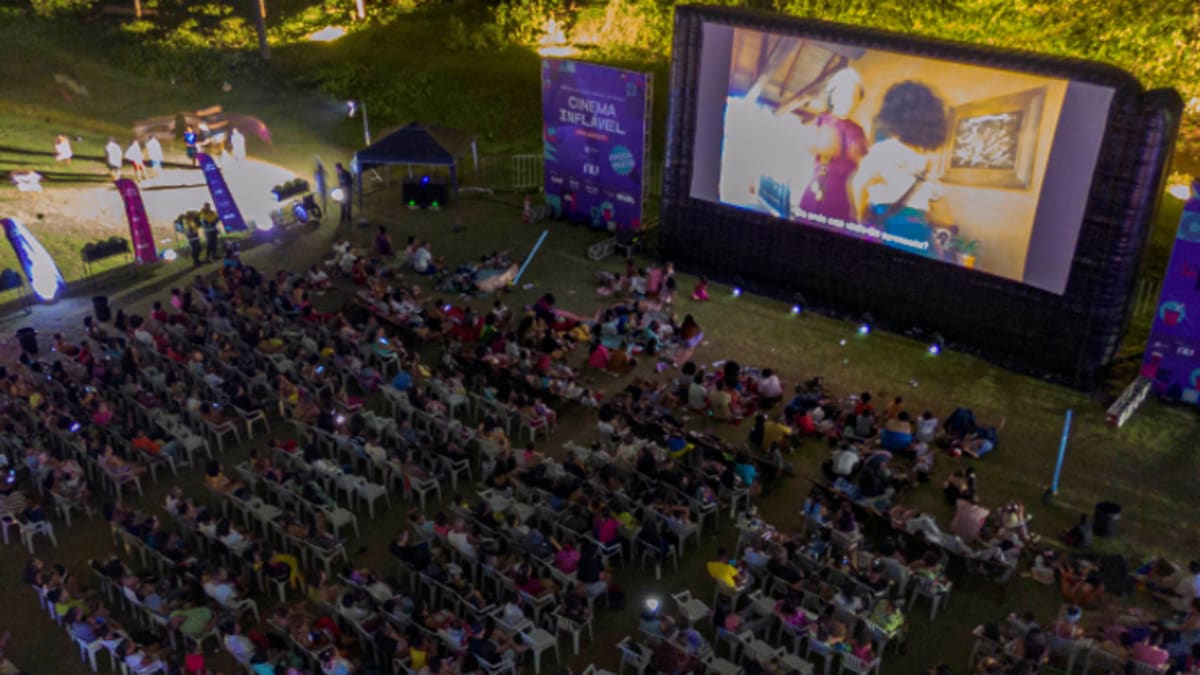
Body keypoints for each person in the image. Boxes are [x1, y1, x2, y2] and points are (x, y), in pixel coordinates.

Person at [851, 80, 950, 259]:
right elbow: (940, 206)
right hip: (917, 228)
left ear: (893, 115)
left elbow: (859, 185)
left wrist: (860, 215)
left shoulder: (883, 150)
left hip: (886, 224)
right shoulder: (928, 160)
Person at [789, 68, 867, 223]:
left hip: (843, 195)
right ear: (834, 96)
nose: (850, 100)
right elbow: (804, 151)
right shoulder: (821, 120)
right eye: (846, 94)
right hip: (817, 187)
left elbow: (863, 169)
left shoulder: (858, 131)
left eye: (855, 96)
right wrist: (817, 144)